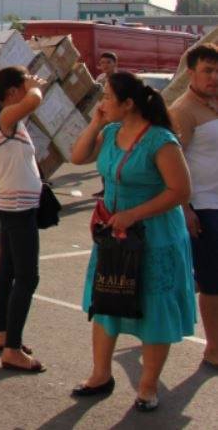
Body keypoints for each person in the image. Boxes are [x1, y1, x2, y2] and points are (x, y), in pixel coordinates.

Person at [69, 72, 194, 412]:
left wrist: (135, 214)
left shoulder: (160, 140)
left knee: (154, 308)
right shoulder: (110, 132)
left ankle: (148, 387)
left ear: (129, 104)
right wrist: (96, 122)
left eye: (107, 97)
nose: (102, 103)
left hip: (154, 237)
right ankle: (100, 375)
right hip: (114, 235)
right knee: (107, 300)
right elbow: (78, 156)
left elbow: (180, 191)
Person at [0, 66, 48, 374]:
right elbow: (34, 100)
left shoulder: (6, 119)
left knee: (7, 270)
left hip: (14, 204)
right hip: (17, 207)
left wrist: (27, 85)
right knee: (27, 277)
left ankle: (1, 333)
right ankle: (12, 349)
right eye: (23, 84)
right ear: (13, 93)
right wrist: (34, 86)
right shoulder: (4, 118)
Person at [168, 42, 218, 369]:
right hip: (203, 205)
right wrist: (184, 208)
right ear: (191, 73)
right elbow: (174, 162)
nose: (214, 77)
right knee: (213, 282)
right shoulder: (182, 111)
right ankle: (213, 348)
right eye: (208, 71)